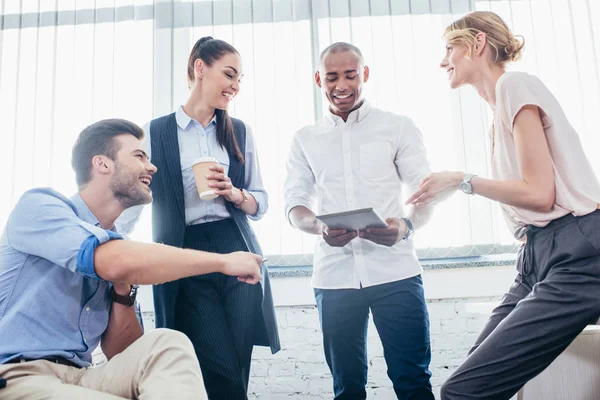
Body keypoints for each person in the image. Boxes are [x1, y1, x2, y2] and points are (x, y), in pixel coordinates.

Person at [404, 11, 600, 399]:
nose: (443, 61)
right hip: (537, 255)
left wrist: (461, 181)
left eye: (449, 48)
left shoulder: (514, 84)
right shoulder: (500, 108)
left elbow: (540, 194)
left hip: (577, 252)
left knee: (463, 391)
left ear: (477, 44)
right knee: (468, 379)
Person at [0, 119, 264, 399]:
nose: (152, 167)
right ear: (102, 164)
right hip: (20, 375)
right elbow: (112, 260)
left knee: (166, 343)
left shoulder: (119, 248)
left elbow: (121, 351)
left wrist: (123, 290)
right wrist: (222, 262)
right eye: (139, 156)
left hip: (83, 377)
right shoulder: (40, 207)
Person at [116, 37, 280, 399]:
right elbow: (135, 196)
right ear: (200, 68)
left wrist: (235, 194)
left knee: (236, 362)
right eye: (230, 74)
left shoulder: (239, 132)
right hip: (184, 253)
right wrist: (108, 241)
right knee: (217, 364)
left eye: (240, 79)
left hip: (236, 249)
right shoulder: (156, 132)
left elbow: (262, 202)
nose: (236, 86)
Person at [283, 42, 435, 400]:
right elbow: (295, 206)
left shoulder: (398, 127)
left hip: (396, 273)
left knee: (412, 381)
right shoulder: (304, 139)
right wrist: (318, 227)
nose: (342, 85)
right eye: (332, 77)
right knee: (347, 387)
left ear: (364, 74)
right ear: (319, 79)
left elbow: (425, 194)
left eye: (350, 75)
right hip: (334, 278)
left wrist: (406, 227)